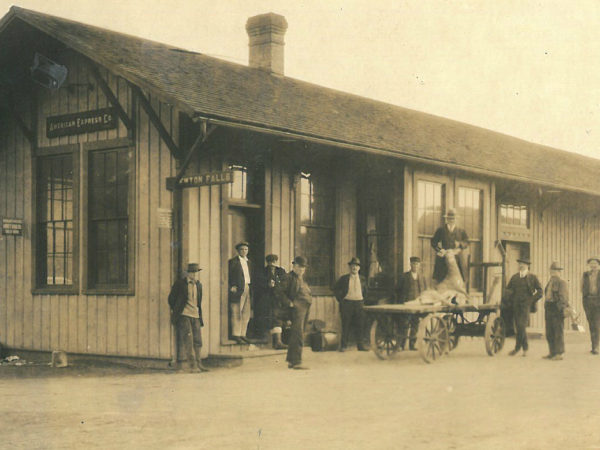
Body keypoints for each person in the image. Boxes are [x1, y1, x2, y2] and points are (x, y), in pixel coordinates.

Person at [168, 263, 209, 373]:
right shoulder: (180, 284)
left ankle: (199, 364)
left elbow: (198, 302)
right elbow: (171, 299)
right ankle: (192, 366)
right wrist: (178, 309)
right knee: (188, 340)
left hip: (196, 315)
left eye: (196, 272)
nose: (194, 275)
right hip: (184, 315)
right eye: (192, 272)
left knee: (198, 340)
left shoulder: (198, 285)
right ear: (187, 273)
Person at [275, 256, 312, 370]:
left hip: (304, 308)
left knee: (299, 333)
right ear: (294, 266)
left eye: (303, 268)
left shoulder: (301, 279)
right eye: (299, 267)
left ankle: (292, 360)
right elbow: (278, 291)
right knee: (298, 334)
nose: (301, 270)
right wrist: (289, 303)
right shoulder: (288, 277)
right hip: (296, 309)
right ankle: (296, 361)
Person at [504, 257, 543, 357]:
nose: (521, 266)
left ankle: (518, 348)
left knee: (521, 326)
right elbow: (508, 290)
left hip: (526, 306)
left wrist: (531, 300)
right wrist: (509, 298)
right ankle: (524, 348)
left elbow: (540, 292)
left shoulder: (532, 278)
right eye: (520, 264)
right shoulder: (515, 277)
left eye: (524, 264)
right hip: (516, 305)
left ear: (528, 266)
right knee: (519, 327)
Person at [334, 257, 369, 352]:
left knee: (360, 325)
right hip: (347, 304)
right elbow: (336, 289)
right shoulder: (344, 278)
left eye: (357, 266)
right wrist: (341, 300)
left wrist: (363, 301)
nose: (355, 268)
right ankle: (343, 346)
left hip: (359, 304)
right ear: (350, 267)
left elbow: (366, 292)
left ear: (359, 268)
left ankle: (360, 346)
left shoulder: (363, 279)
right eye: (353, 266)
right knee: (346, 325)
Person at [396, 256, 427, 350]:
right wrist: (401, 301)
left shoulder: (422, 277)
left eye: (417, 264)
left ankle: (412, 345)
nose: (415, 266)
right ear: (410, 264)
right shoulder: (404, 276)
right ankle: (401, 345)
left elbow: (424, 291)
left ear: (419, 265)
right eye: (413, 264)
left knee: (415, 324)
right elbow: (398, 289)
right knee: (404, 324)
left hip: (417, 304)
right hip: (407, 304)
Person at [431, 208, 469, 285]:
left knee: (457, 280)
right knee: (442, 280)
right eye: (450, 219)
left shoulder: (461, 231)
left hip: (457, 258)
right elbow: (433, 242)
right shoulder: (441, 230)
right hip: (444, 258)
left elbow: (467, 242)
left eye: (453, 219)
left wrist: (460, 245)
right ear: (446, 219)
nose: (451, 220)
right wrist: (440, 250)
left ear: (456, 219)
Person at [543, 262, 569, 360]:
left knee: (558, 331)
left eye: (555, 271)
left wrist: (560, 309)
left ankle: (559, 353)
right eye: (551, 271)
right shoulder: (550, 281)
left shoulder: (562, 282)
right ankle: (552, 352)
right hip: (549, 308)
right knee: (549, 331)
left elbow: (564, 298)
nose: (553, 273)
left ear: (559, 272)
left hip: (557, 309)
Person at [262, 254, 288, 350]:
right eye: (270, 262)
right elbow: (258, 284)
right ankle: (271, 342)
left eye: (274, 262)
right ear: (267, 262)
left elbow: (285, 283)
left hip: (278, 298)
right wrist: (267, 285)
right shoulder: (263, 271)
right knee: (270, 318)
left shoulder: (280, 271)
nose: (272, 264)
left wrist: (277, 286)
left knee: (278, 318)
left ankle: (278, 341)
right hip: (266, 299)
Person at [228, 241, 253, 344]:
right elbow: (229, 274)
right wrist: (232, 285)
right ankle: (236, 334)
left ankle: (243, 334)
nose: (244, 251)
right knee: (237, 311)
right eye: (242, 249)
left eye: (246, 249)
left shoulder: (249, 262)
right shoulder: (233, 262)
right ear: (238, 251)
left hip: (247, 287)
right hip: (238, 289)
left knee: (246, 312)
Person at [582, 256, 600, 355]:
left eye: (595, 263)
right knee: (591, 324)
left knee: (596, 324)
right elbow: (582, 287)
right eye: (591, 263)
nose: (593, 265)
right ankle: (593, 345)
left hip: (598, 301)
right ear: (589, 265)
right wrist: (584, 300)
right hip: (588, 301)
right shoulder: (585, 275)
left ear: (598, 265)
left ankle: (596, 347)